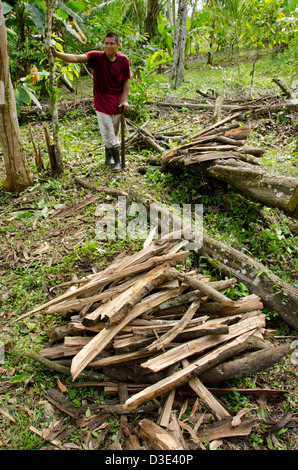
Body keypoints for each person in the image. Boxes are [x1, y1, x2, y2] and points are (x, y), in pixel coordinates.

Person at [51, 32, 131, 171]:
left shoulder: (123, 60)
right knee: (108, 132)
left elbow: (126, 82)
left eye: (112, 43)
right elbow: (76, 57)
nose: (108, 46)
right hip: (101, 102)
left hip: (117, 103)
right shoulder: (96, 56)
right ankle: (117, 162)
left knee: (114, 132)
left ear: (118, 45)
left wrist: (125, 101)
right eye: (106, 43)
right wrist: (57, 54)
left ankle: (108, 158)